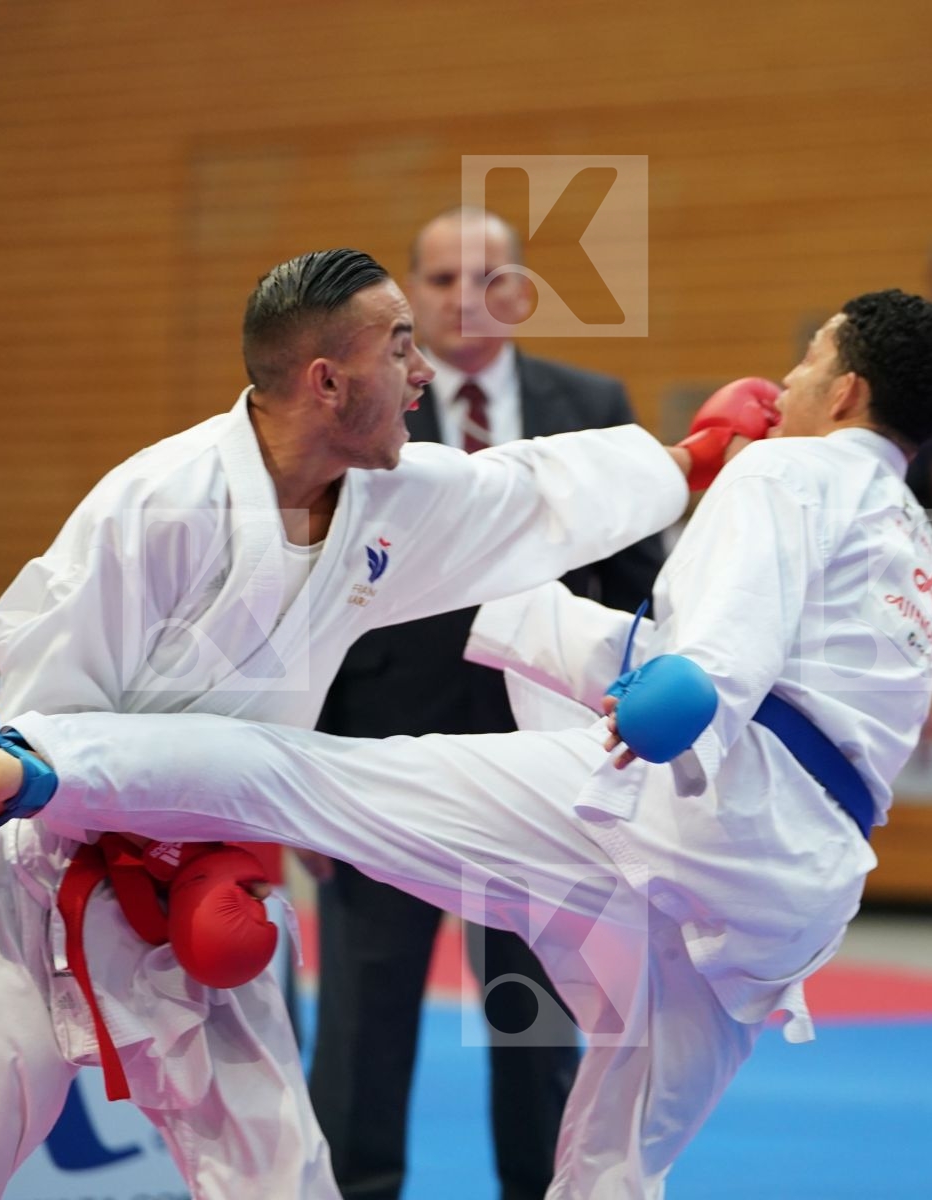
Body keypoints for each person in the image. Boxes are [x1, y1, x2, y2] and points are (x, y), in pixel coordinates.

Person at [0, 288, 932, 1199]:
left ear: (851, 390)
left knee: (309, 782)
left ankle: (30, 765)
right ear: (325, 381)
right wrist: (677, 481)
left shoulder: (786, 471)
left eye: (808, 359)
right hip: (788, 889)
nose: (428, 369)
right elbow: (686, 634)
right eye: (402, 347)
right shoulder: (915, 545)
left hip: (677, 805)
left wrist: (687, 580)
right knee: (611, 1154)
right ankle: (32, 769)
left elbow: (580, 545)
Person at [307, 208, 660, 1200]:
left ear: (519, 291)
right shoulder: (358, 408)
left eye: (486, 276)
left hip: (543, 765)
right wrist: (301, 757)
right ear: (411, 297)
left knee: (537, 1020)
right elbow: (302, 592)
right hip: (378, 752)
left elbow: (637, 581)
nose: (464, 295)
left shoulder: (589, 405)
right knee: (365, 1016)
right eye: (442, 278)